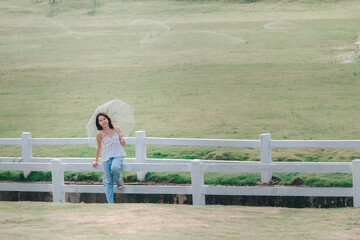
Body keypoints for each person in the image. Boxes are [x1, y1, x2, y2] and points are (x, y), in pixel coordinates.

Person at [92, 112, 126, 204]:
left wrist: (121, 137)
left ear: (108, 119)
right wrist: (96, 160)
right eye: (100, 120)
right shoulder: (99, 134)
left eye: (104, 119)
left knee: (115, 168)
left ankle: (119, 181)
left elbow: (123, 144)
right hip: (106, 157)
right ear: (98, 123)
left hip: (118, 154)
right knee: (107, 181)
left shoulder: (116, 129)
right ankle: (110, 203)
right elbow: (99, 147)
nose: (103, 121)